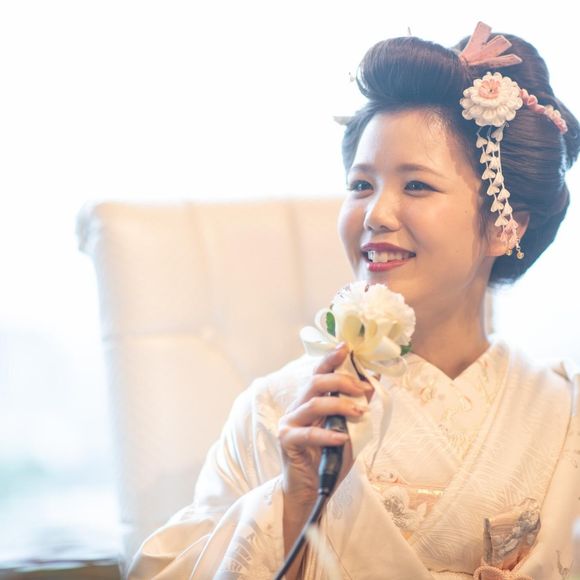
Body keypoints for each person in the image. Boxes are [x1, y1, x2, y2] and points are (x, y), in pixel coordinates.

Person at [128, 22, 580, 579]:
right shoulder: (277, 411)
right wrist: (293, 500)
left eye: (416, 185)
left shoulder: (565, 414)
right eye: (361, 185)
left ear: (506, 226)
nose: (376, 215)